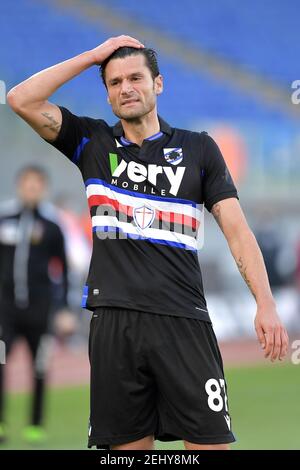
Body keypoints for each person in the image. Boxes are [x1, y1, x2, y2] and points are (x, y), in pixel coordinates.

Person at [7, 36, 289, 451]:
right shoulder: (92, 142)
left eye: (136, 77)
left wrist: (265, 302)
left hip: (183, 320)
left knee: (212, 445)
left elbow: (237, 230)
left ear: (158, 84)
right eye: (115, 82)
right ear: (106, 94)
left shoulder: (198, 148)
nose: (126, 88)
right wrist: (91, 57)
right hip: (114, 323)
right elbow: (20, 99)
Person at [0, 166, 73, 444]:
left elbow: (64, 270)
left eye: (36, 185)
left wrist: (64, 308)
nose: (31, 189)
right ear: (19, 186)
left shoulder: (52, 228)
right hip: (6, 312)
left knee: (39, 368)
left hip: (39, 313)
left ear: (43, 188)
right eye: (26, 184)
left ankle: (35, 425)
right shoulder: (5, 221)